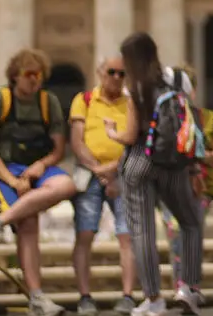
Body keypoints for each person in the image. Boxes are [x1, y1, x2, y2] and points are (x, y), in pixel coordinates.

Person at [104, 34, 204, 316]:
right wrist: (194, 167)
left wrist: (112, 131)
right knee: (190, 223)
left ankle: (154, 299)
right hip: (174, 162)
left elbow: (131, 134)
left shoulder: (133, 85)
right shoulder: (179, 79)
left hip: (139, 162)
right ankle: (189, 288)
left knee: (142, 232)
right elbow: (190, 122)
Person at [0, 48, 78, 316]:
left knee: (67, 185)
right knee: (29, 221)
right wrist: (11, 179)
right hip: (2, 171)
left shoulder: (48, 102)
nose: (35, 80)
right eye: (29, 74)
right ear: (15, 76)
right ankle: (37, 298)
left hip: (35, 168)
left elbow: (58, 150)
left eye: (39, 75)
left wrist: (40, 166)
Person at [70, 56, 139, 315]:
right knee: (85, 235)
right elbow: (77, 142)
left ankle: (128, 296)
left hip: (123, 175)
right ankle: (85, 296)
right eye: (112, 72)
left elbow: (135, 141)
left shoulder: (132, 103)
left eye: (123, 73)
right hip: (90, 175)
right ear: (100, 72)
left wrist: (112, 171)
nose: (117, 78)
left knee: (127, 237)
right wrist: (101, 171)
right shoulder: (84, 100)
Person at [160, 70, 213, 308]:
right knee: (176, 232)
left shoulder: (208, 118)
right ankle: (181, 286)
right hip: (170, 186)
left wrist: (194, 153)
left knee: (193, 234)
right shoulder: (162, 116)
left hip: (201, 188)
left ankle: (191, 286)